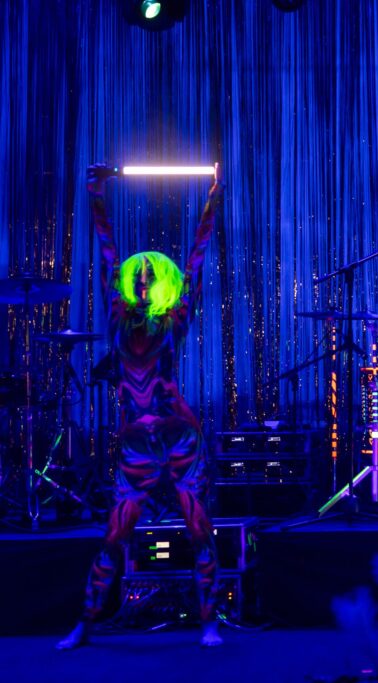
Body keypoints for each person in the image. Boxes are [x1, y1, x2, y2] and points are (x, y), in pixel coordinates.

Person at [58, 163, 225, 649]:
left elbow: (196, 257)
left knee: (199, 529)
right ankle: (85, 624)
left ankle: (210, 623)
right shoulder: (115, 317)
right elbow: (107, 251)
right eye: (140, 274)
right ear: (132, 281)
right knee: (113, 538)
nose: (146, 278)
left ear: (162, 282)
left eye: (154, 274)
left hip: (178, 439)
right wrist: (95, 193)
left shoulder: (174, 321)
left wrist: (212, 197)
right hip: (136, 450)